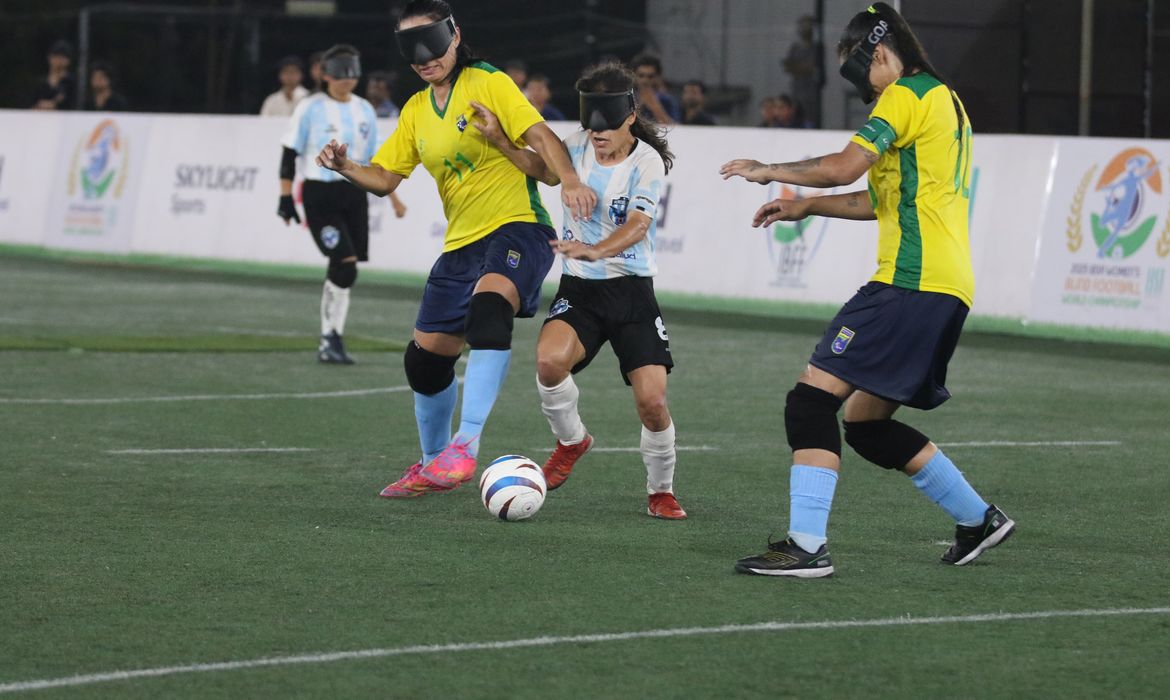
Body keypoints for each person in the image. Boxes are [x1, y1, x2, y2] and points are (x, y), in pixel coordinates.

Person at [720, 2, 1013, 577]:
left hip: (910, 282)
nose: (863, 89)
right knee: (865, 425)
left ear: (878, 53)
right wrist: (806, 205)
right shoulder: (943, 100)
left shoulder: (905, 93)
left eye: (856, 72)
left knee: (810, 402)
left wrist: (769, 169)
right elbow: (876, 199)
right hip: (946, 286)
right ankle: (978, 519)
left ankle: (806, 547)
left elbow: (843, 167)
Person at [314, 0, 595, 497]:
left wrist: (569, 179)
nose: (424, 58)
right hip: (461, 244)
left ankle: (465, 445)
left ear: (455, 36)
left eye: (432, 44)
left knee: (489, 309)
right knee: (424, 363)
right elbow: (385, 178)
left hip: (519, 227)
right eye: (412, 50)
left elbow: (541, 136)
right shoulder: (415, 110)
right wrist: (346, 166)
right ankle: (432, 466)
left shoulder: (489, 82)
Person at [472, 62, 686, 519]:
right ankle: (572, 442)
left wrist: (596, 250)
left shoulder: (646, 162)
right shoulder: (575, 145)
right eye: (591, 124)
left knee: (652, 402)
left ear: (631, 116)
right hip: (580, 291)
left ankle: (660, 491)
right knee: (549, 363)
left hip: (631, 294)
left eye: (607, 124)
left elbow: (638, 225)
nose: (597, 133)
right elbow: (543, 171)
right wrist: (501, 141)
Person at [278, 44, 380, 365]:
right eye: (339, 73)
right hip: (320, 194)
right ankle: (329, 337)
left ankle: (331, 337)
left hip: (354, 192)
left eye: (352, 72)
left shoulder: (365, 109)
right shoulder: (310, 107)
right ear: (326, 75)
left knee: (344, 267)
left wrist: (394, 197)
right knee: (345, 264)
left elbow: (374, 158)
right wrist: (285, 197)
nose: (346, 79)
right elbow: (289, 152)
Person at [783, 15, 823, 128]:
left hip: (811, 88)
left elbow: (812, 68)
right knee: (796, 110)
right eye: (802, 26)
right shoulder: (795, 47)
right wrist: (798, 68)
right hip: (797, 86)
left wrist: (798, 67)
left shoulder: (817, 48)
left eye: (807, 26)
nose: (804, 28)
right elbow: (788, 67)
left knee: (809, 112)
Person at [631, 53, 680, 124]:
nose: (645, 80)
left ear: (657, 77)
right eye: (641, 75)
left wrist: (655, 107)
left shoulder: (667, 100)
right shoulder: (628, 99)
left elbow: (677, 127)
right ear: (634, 76)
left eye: (650, 76)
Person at [32, 40, 74, 110]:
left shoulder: (71, 83)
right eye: (56, 56)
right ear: (49, 57)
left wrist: (54, 105)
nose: (58, 60)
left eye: (62, 57)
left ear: (68, 60)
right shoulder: (40, 83)